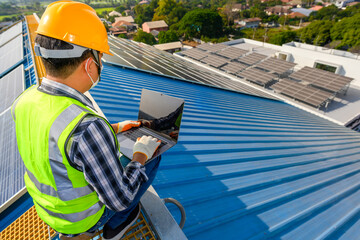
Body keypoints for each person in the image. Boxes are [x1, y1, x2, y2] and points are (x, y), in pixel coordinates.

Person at [11, 1, 161, 239]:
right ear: (90, 64)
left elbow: (56, 142)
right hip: (82, 219)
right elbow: (120, 198)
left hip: (49, 211)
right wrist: (141, 156)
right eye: (100, 56)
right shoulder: (88, 126)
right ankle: (116, 227)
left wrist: (116, 129)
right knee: (153, 155)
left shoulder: (24, 101)